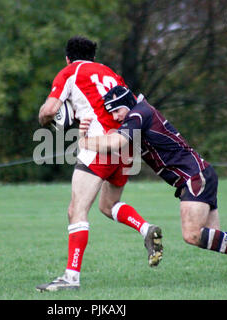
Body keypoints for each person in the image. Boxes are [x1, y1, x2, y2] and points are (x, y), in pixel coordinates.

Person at [78, 85, 227, 281]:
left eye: (116, 111)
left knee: (192, 234)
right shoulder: (138, 116)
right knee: (212, 235)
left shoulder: (137, 114)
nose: (115, 117)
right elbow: (116, 144)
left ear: (126, 104)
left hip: (193, 176)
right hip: (200, 174)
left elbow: (116, 142)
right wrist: (85, 132)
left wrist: (83, 142)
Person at [36, 37, 163, 292]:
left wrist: (45, 119)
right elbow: (131, 106)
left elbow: (49, 110)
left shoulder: (70, 71)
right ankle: (146, 228)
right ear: (93, 56)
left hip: (99, 144)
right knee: (108, 205)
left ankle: (71, 277)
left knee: (76, 210)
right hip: (126, 144)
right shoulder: (109, 73)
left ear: (67, 58)